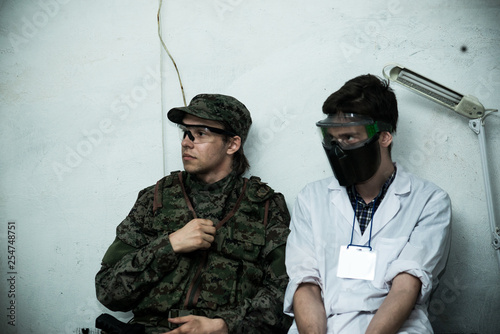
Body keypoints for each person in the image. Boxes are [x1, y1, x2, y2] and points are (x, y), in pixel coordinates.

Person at [96, 94, 292, 334]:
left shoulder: (265, 206)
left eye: (201, 133)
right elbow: (108, 290)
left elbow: (287, 292)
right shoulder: (156, 198)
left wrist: (224, 325)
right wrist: (169, 245)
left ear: (232, 144)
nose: (186, 142)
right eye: (185, 132)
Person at [283, 74, 452, 334]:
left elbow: (406, 286)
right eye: (333, 139)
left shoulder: (429, 201)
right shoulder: (311, 199)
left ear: (384, 137)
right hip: (321, 326)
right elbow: (305, 283)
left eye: (350, 137)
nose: (339, 148)